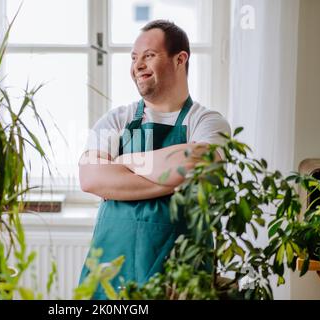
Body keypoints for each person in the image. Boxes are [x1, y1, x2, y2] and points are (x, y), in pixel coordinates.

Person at [78, 20, 231, 299]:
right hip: (111, 272)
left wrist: (125, 161)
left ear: (180, 59)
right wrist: (170, 181)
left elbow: (194, 163)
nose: (137, 65)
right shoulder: (115, 119)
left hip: (179, 275)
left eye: (148, 55)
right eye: (134, 58)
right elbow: (90, 177)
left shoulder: (208, 121)